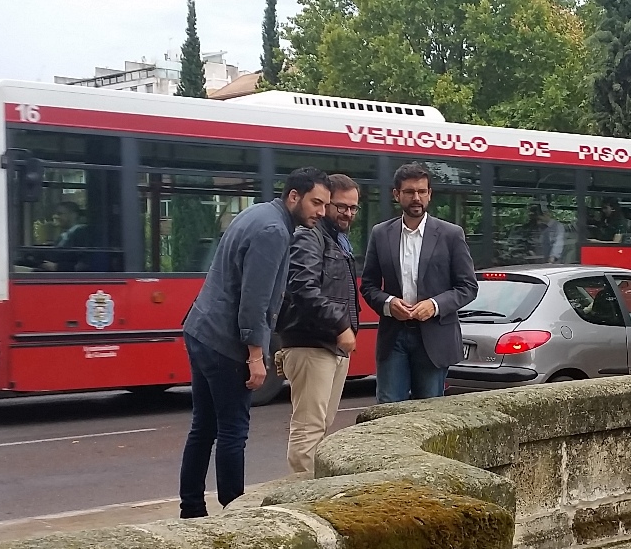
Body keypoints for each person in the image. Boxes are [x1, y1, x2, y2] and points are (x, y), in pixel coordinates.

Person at [178, 167, 330, 517]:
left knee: (203, 426)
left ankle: (191, 508)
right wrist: (256, 356)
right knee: (233, 431)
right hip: (225, 342)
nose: (321, 212)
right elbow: (255, 302)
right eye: (316, 203)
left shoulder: (258, 212)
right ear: (295, 196)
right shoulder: (275, 231)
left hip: (201, 329)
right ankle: (236, 512)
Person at [360, 163, 478, 403]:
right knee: (387, 411)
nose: (417, 198)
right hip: (394, 336)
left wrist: (434, 305)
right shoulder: (381, 234)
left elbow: (468, 287)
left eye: (422, 192)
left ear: (429, 194)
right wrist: (388, 303)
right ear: (396, 194)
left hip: (434, 338)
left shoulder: (450, 234)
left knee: (429, 412)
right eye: (409, 192)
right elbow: (369, 285)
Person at [276, 174, 361, 475]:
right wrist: (341, 326)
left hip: (329, 345)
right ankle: (302, 495)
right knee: (309, 427)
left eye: (353, 208)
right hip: (314, 343)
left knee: (321, 424)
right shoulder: (309, 236)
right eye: (340, 206)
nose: (347, 213)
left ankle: (311, 490)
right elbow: (303, 288)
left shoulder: (337, 241)